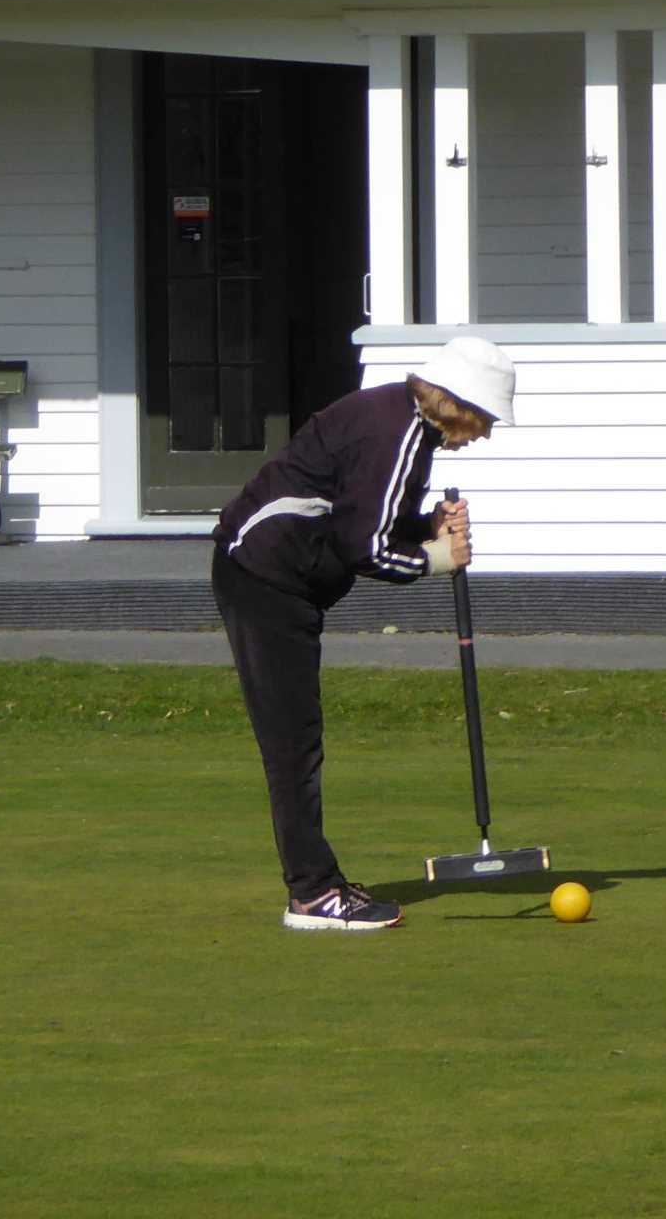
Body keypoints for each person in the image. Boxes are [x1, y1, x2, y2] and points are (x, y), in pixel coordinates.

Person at [211, 335, 516, 931]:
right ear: (456, 402)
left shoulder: (404, 422)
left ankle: (315, 884)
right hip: (264, 576)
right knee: (292, 743)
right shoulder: (399, 433)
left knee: (297, 738)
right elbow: (365, 548)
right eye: (483, 417)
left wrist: (425, 528)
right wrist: (436, 560)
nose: (484, 432)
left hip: (274, 574)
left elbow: (365, 511)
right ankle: (312, 895)